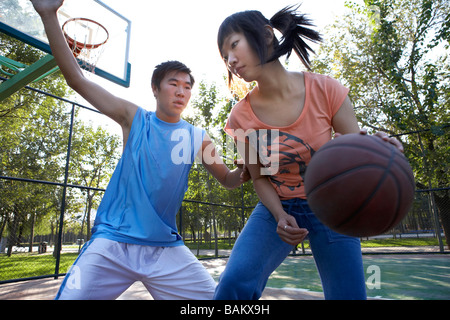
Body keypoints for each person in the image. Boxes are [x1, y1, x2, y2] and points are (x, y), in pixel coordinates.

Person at [30, 0, 249, 300]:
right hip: (113, 243)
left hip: (164, 248)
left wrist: (246, 170)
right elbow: (76, 79)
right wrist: (48, 13)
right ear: (155, 89)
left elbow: (228, 179)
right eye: (174, 84)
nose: (181, 91)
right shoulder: (134, 119)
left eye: (187, 86)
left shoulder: (197, 137)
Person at [214, 6, 404, 300]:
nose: (231, 60)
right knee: (231, 286)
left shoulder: (325, 89)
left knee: (349, 295)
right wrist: (279, 216)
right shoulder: (239, 118)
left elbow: (354, 148)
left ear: (266, 36)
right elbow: (260, 178)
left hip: (331, 205)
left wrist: (377, 147)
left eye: (233, 45)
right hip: (278, 206)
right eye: (224, 56)